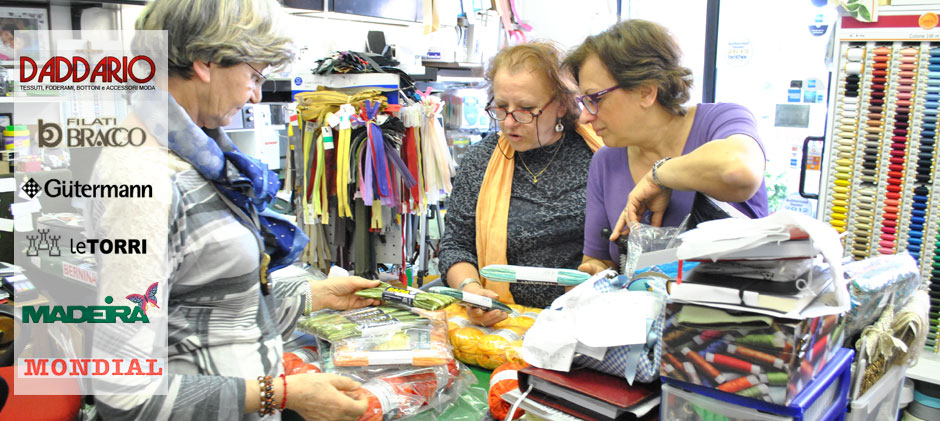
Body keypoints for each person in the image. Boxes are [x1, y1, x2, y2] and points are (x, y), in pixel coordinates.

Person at [88, 0, 379, 419]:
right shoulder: (144, 180)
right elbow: (124, 393)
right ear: (205, 61)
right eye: (254, 75)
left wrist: (312, 296)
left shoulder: (199, 158)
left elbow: (206, 311)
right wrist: (281, 394)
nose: (256, 95)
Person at [563, 20, 770, 274]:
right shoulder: (606, 161)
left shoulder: (720, 122)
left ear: (645, 92)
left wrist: (658, 175)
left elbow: (738, 171)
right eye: (583, 102)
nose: (585, 116)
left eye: (594, 99)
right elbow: (600, 260)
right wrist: (593, 272)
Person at [438, 42, 603, 326]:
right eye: (501, 107)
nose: (509, 123)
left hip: (581, 322)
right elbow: (456, 244)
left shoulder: (599, 157)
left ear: (561, 105)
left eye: (526, 110)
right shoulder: (482, 160)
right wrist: (471, 290)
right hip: (502, 323)